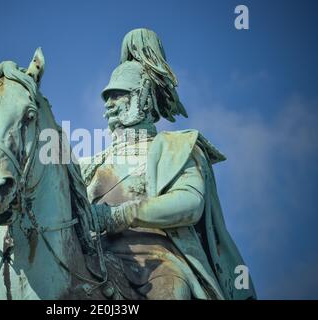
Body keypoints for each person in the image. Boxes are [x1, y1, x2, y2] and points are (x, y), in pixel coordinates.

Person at [79, 29, 256, 299]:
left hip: (158, 259)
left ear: (144, 97)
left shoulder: (179, 147)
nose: (110, 105)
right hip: (96, 260)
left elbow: (189, 204)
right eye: (108, 97)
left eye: (119, 95)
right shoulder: (89, 163)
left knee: (172, 290)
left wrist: (120, 215)